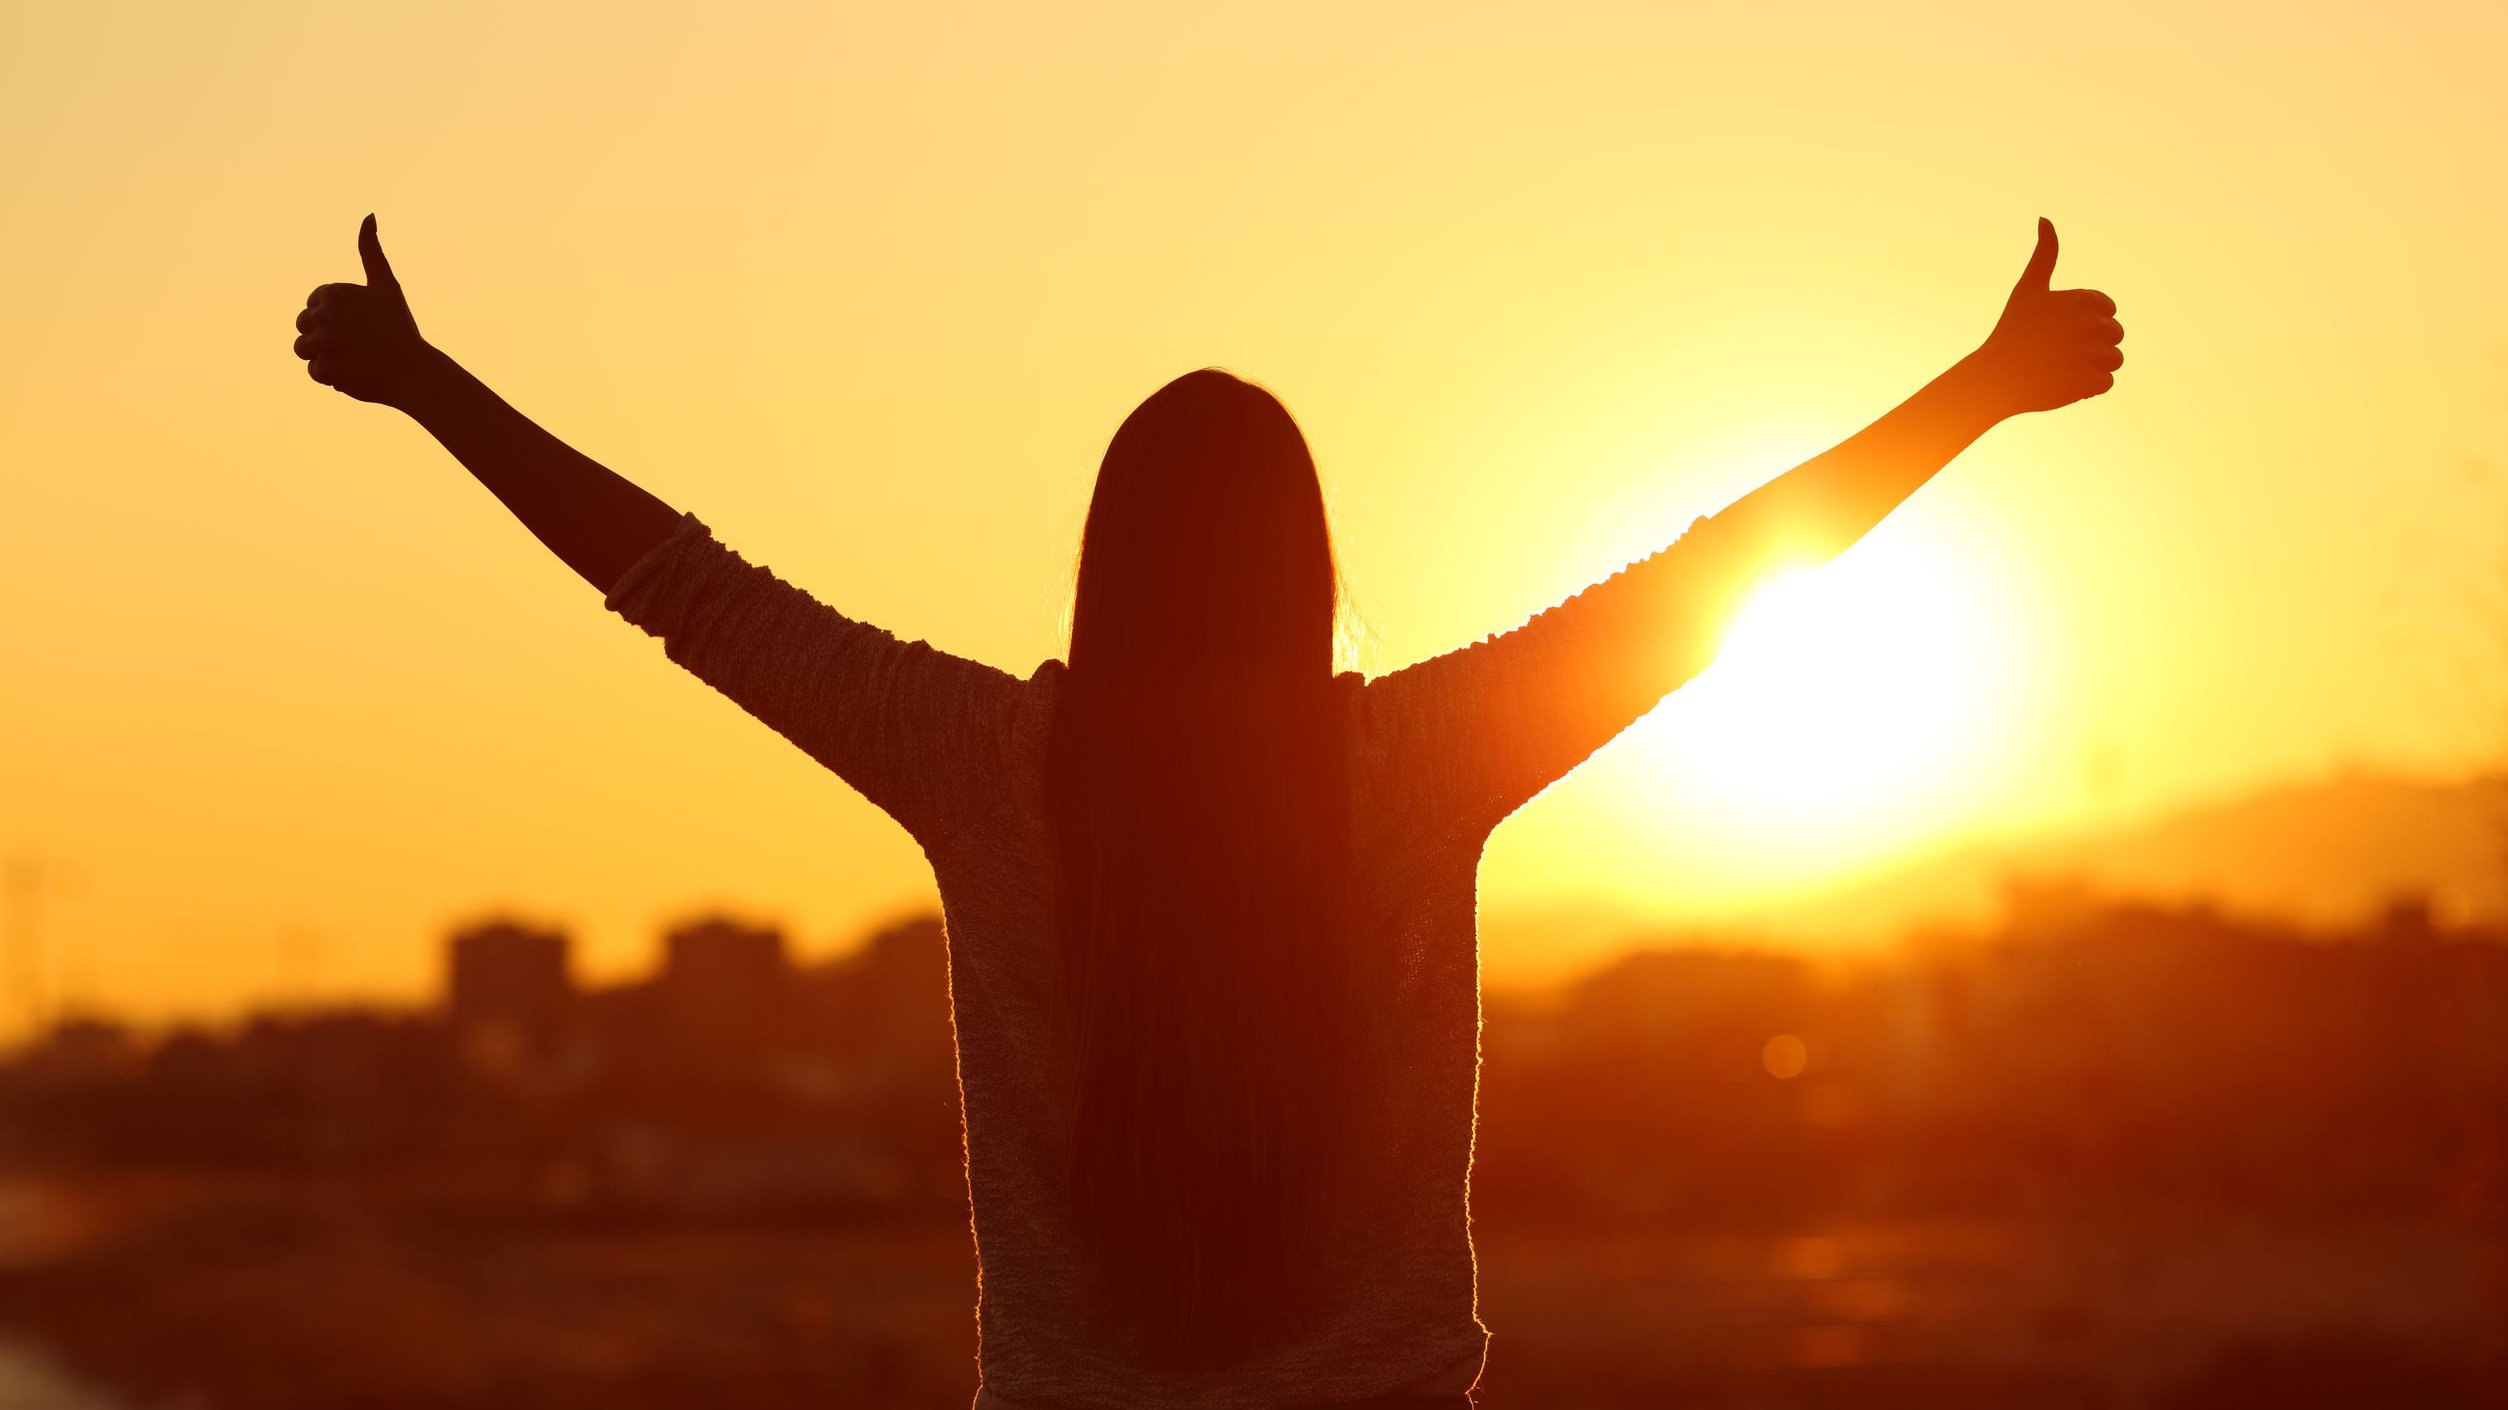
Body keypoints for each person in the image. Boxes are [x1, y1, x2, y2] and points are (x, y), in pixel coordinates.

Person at [291, 215, 2121, 1409]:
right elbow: (1708, 586)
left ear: (1104, 571)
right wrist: (1984, 389)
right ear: (1309, 572)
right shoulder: (1410, 766)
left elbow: (684, 582)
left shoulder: (987, 764)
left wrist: (427, 383)